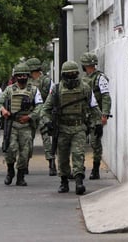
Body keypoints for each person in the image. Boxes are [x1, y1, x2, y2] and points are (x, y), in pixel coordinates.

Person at [40, 61, 102, 195]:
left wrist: (98, 123)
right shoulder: (56, 90)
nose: (71, 77)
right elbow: (45, 110)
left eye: (73, 74)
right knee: (62, 157)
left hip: (79, 127)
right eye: (68, 75)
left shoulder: (85, 88)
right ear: (63, 75)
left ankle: (79, 181)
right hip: (62, 128)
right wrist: (48, 121)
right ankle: (64, 182)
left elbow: (94, 107)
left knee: (78, 154)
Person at [0, 62, 43, 186]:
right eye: (19, 75)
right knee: (10, 149)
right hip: (12, 124)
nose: (22, 78)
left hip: (26, 125)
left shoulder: (33, 90)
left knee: (25, 151)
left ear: (28, 76)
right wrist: (3, 111)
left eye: (24, 75)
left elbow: (39, 106)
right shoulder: (9, 89)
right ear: (15, 77)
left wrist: (30, 116)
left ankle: (20, 176)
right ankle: (10, 171)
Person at [80, 52, 112, 180]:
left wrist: (104, 114)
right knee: (79, 141)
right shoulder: (83, 79)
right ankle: (79, 167)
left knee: (95, 142)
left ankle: (95, 168)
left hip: (95, 114)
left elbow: (105, 97)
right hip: (84, 115)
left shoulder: (100, 78)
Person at [25, 57, 56, 176]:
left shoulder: (47, 81)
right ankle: (25, 163)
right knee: (27, 139)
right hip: (31, 112)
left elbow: (51, 97)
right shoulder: (27, 81)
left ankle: (51, 163)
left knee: (47, 138)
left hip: (43, 111)